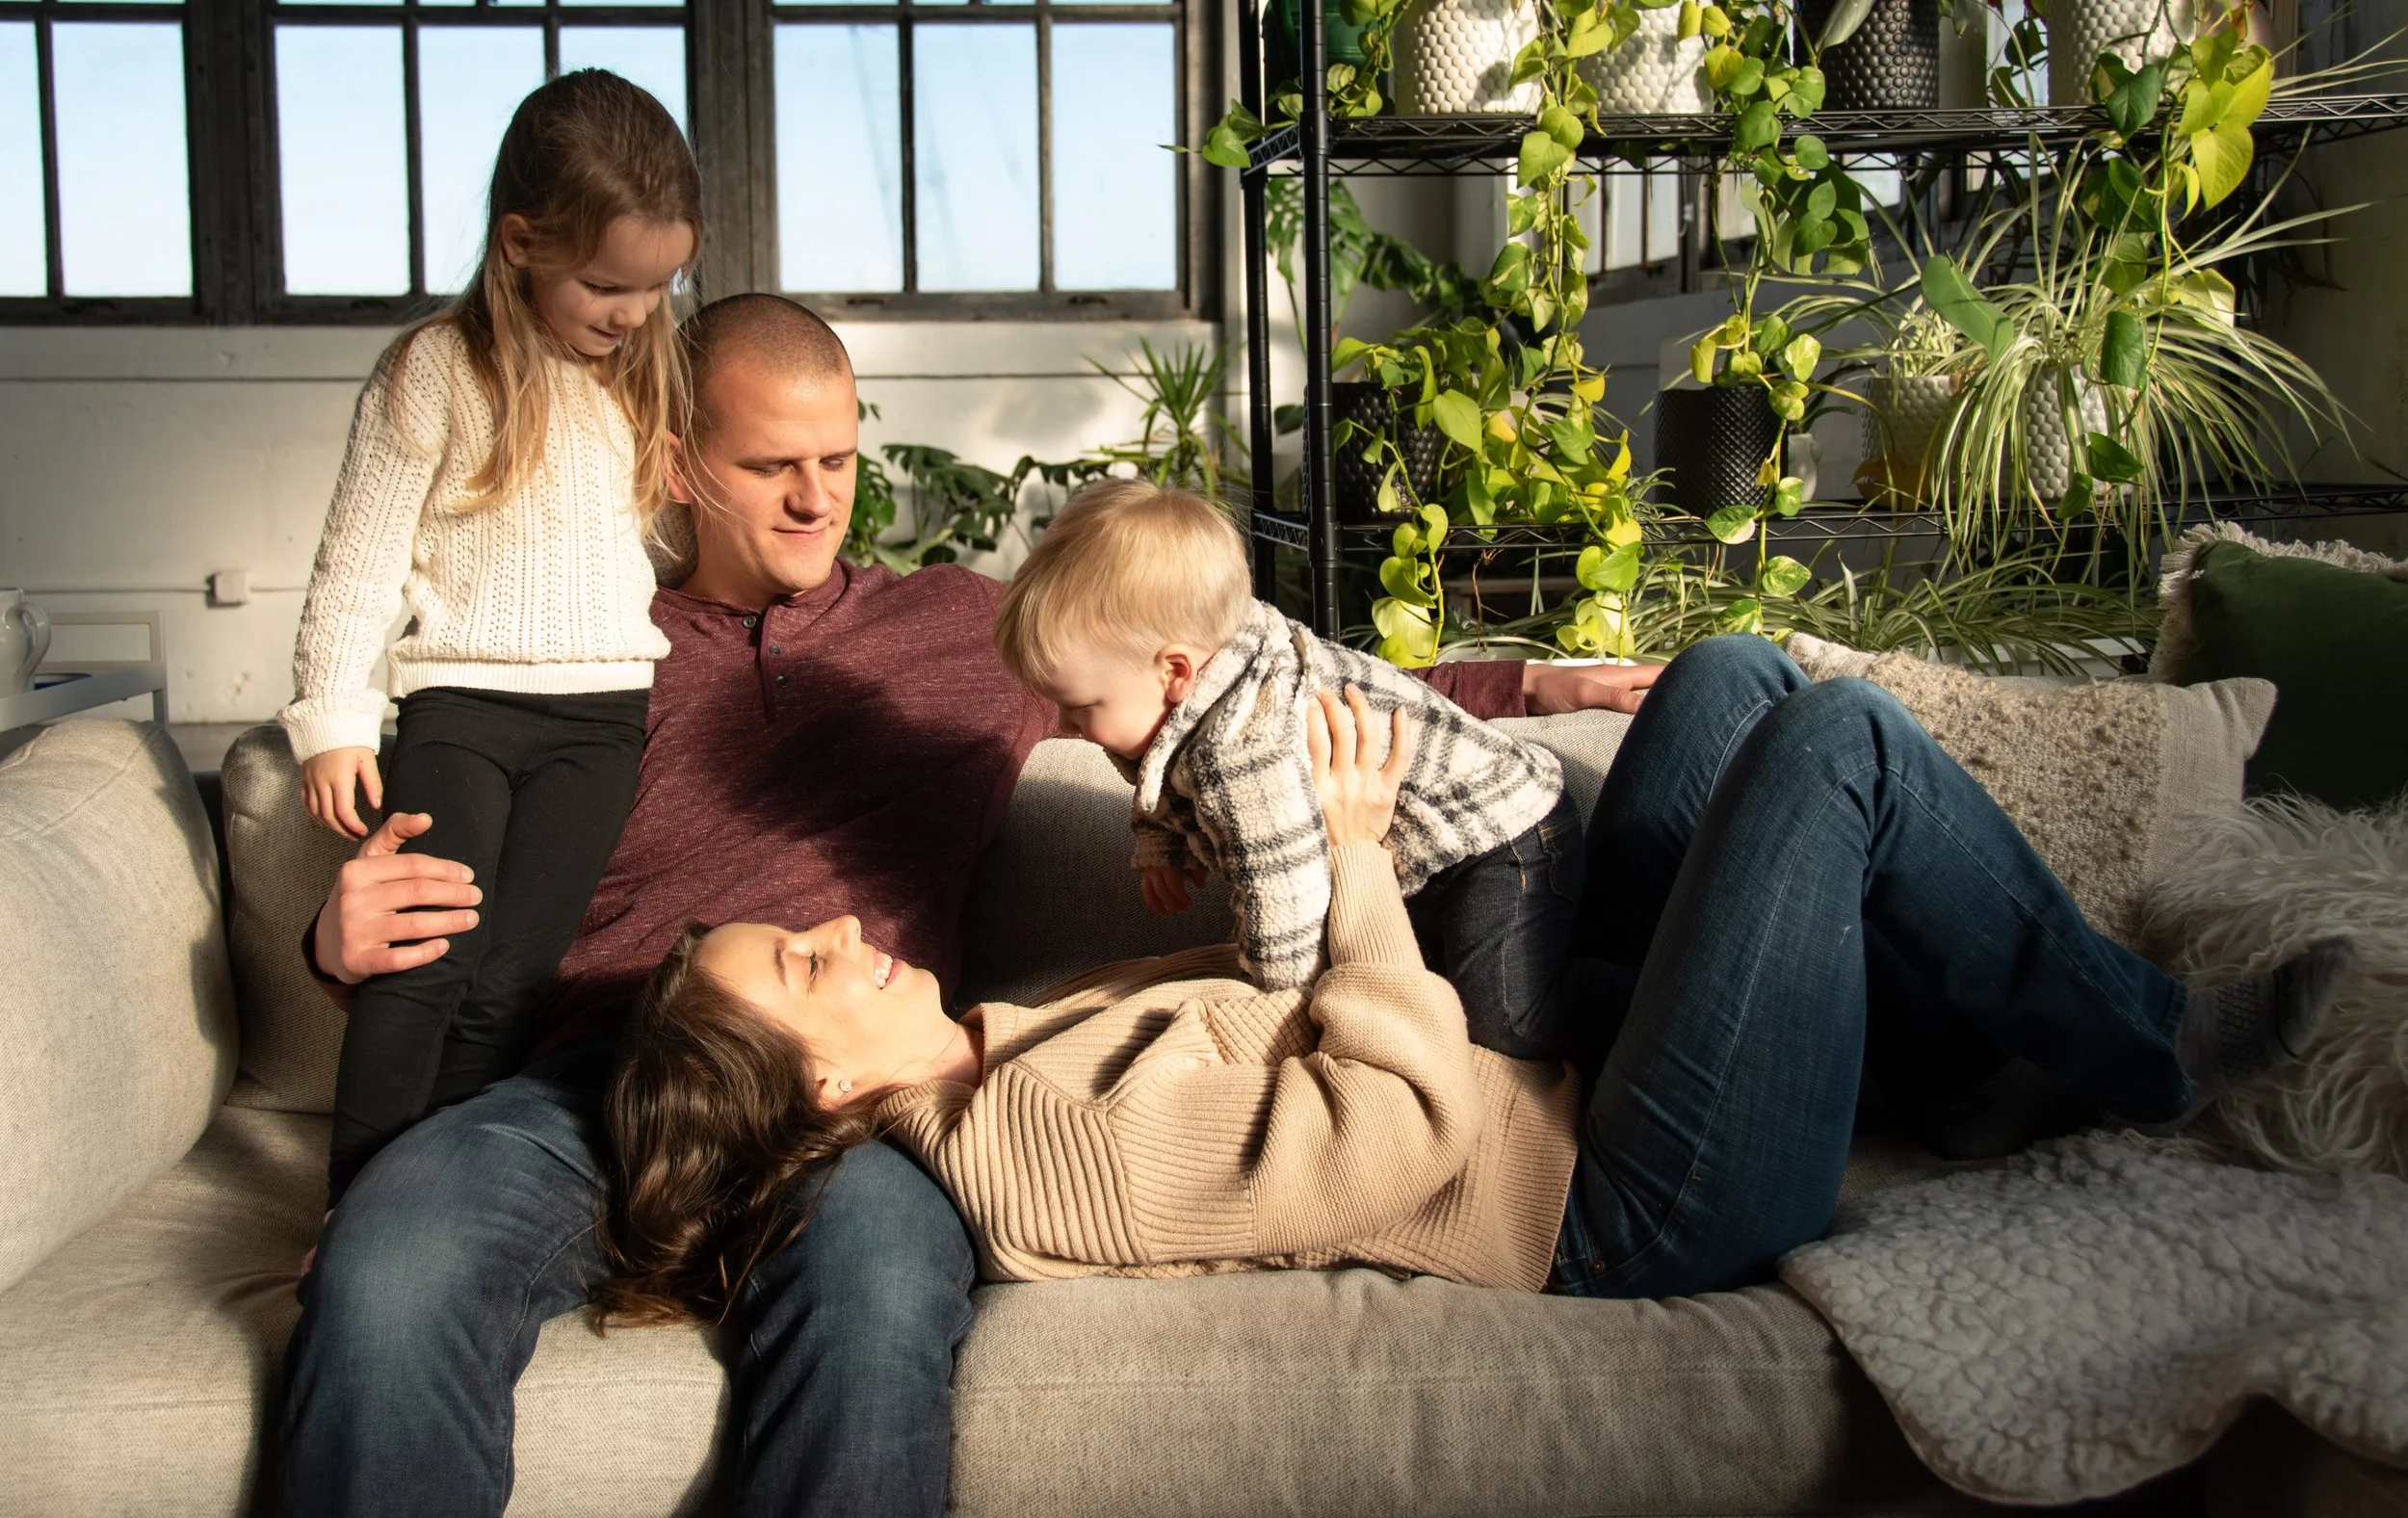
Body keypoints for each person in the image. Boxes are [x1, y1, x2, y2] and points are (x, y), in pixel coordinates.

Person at [274, 289, 1657, 1517]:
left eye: (836, 460)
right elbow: (433, 864)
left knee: (873, 1300)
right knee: (391, 1260)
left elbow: (1214, 649)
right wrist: (342, 943)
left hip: (871, 1115)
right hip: (601, 1081)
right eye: (771, 468)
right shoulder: (576, 654)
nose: (817, 499)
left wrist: (1530, 687)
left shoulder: (954, 631)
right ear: (678, 463)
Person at [601, 641, 2352, 1309]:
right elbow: (1399, 1119)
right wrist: (1354, 851)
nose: (838, 929)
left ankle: (1971, 1070)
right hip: (1623, 1201)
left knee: (1731, 681)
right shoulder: (1025, 1141)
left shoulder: (1007, 1043)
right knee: (1834, 743)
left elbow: (1264, 996)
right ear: (828, 1082)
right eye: (803, 966)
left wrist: (1233, 834)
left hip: (1570, 1082)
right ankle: (2158, 1048)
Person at [277, 70, 697, 1205]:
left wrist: (672, 507)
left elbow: (620, 565)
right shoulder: (434, 371)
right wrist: (331, 718)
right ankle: (355, 1206)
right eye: (608, 284)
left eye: (661, 285)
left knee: (512, 979)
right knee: (426, 957)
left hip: (602, 720)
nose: (635, 311)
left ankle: (435, 1201)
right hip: (462, 707)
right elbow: (357, 562)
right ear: (519, 241)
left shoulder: (643, 373)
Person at [993, 479, 1592, 1061]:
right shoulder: (1217, 654)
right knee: (1427, 990)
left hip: (1494, 835)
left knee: (1506, 1019)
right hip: (1423, 860)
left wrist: (1277, 1018)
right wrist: (1159, 843)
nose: (1068, 727)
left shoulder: (1245, 751)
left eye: (1080, 708)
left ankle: (1645, 993)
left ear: (1175, 671)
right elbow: (1155, 765)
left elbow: (1286, 906)